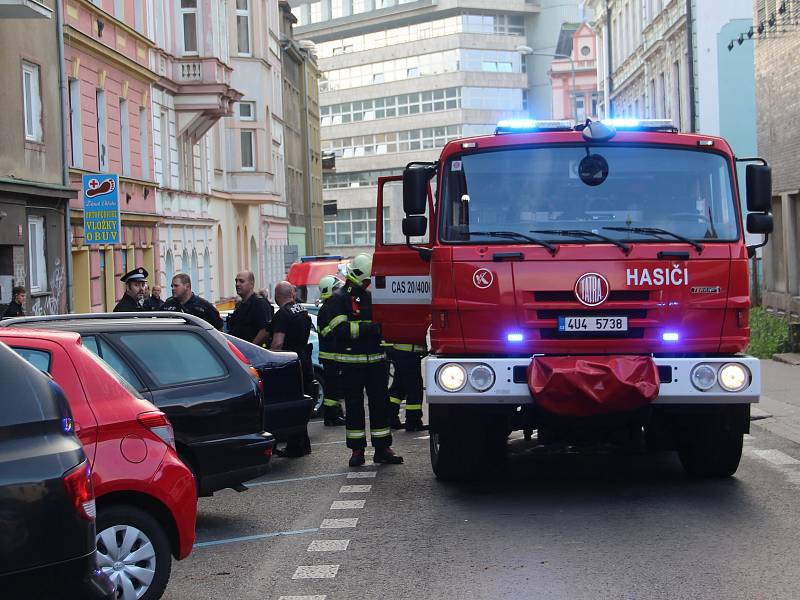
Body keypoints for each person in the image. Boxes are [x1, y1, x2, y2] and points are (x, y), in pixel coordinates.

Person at [317, 253, 403, 467]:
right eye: (367, 280)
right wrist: (371, 328)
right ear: (358, 276)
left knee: (380, 405)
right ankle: (357, 451)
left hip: (376, 362)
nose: (369, 283)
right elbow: (340, 330)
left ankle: (383, 448)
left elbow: (387, 323)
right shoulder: (338, 299)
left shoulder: (373, 296)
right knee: (354, 408)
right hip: (350, 363)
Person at [271, 281, 313, 457]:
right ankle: (304, 444)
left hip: (289, 363)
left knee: (291, 404)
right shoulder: (301, 310)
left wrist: (270, 357)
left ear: (277, 295)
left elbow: (278, 342)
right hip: (304, 359)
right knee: (300, 402)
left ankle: (295, 445)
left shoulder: (282, 314)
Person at [316, 275, 345, 426]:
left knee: (334, 388)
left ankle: (335, 414)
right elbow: (327, 333)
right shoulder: (326, 310)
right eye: (336, 289)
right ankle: (331, 416)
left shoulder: (329, 307)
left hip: (333, 356)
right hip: (330, 357)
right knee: (332, 389)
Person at [387, 343, 427, 432]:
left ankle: (390, 418)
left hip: (400, 352)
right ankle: (413, 422)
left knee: (399, 387)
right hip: (409, 353)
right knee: (414, 389)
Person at [228, 272, 274, 346]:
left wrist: (250, 347)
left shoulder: (259, 303)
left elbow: (265, 330)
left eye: (241, 281)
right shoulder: (239, 305)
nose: (237, 284)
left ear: (252, 284)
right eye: (236, 281)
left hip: (252, 353)